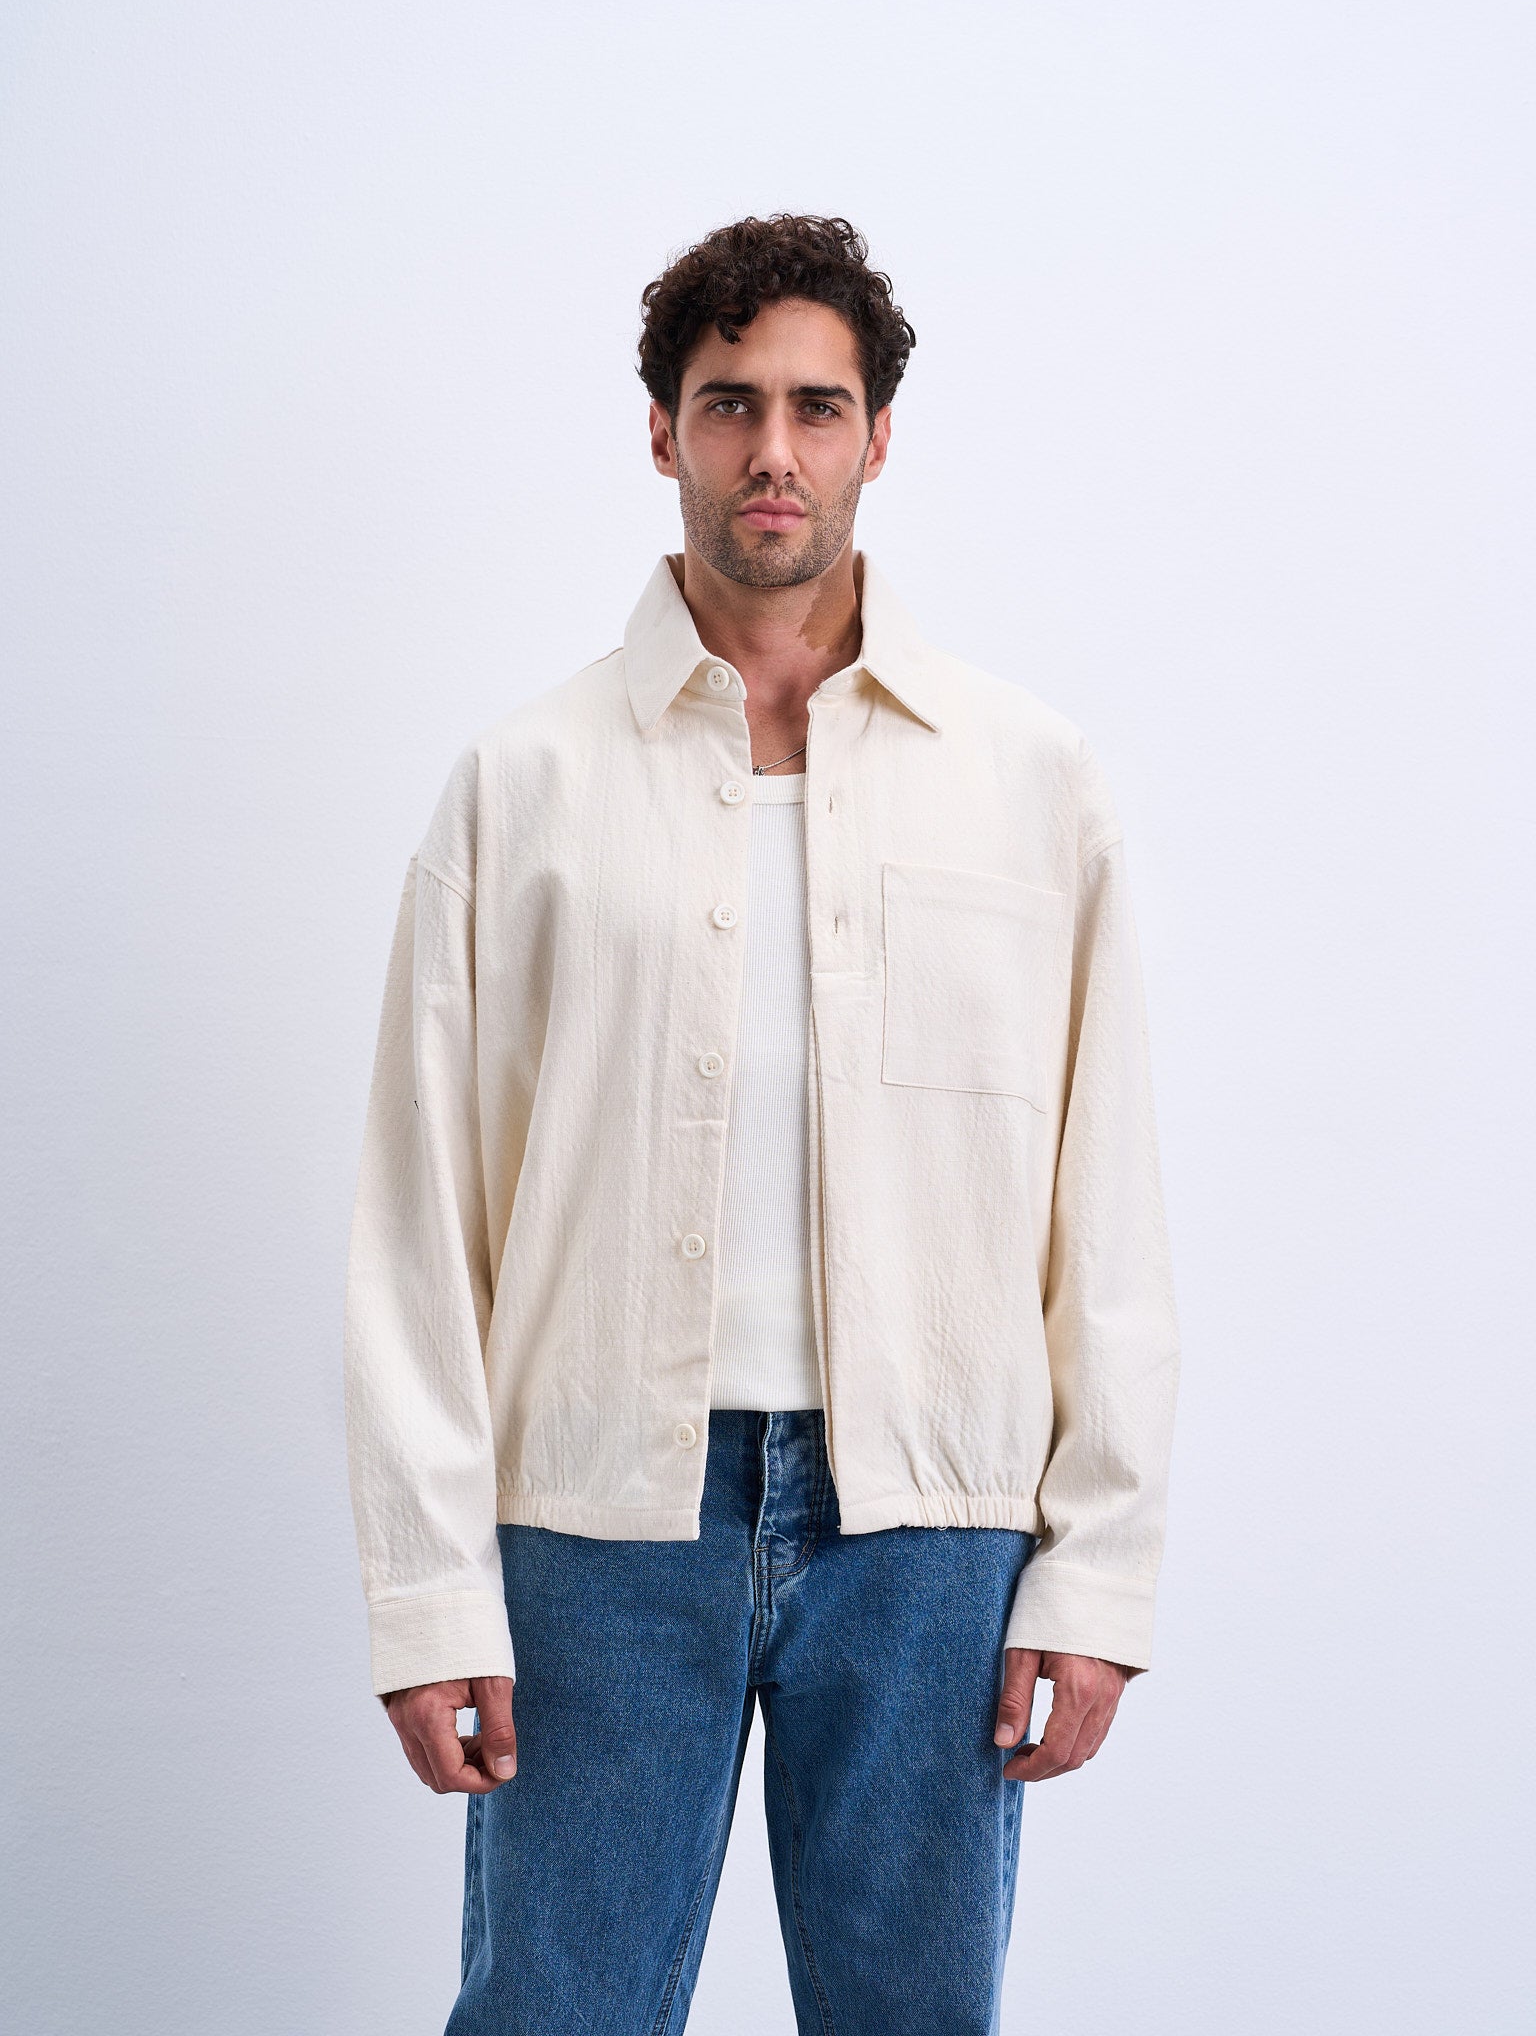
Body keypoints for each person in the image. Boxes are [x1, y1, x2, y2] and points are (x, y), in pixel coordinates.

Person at [342, 212, 1181, 2035]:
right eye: (731, 405)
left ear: (880, 436)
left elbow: (1102, 1202)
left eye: (817, 406)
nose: (774, 451)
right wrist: (428, 1599)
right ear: (664, 432)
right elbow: (420, 1225)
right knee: (553, 2014)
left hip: (934, 1528)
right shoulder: (524, 785)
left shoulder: (1029, 783)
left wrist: (1098, 1569)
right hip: (595, 1522)